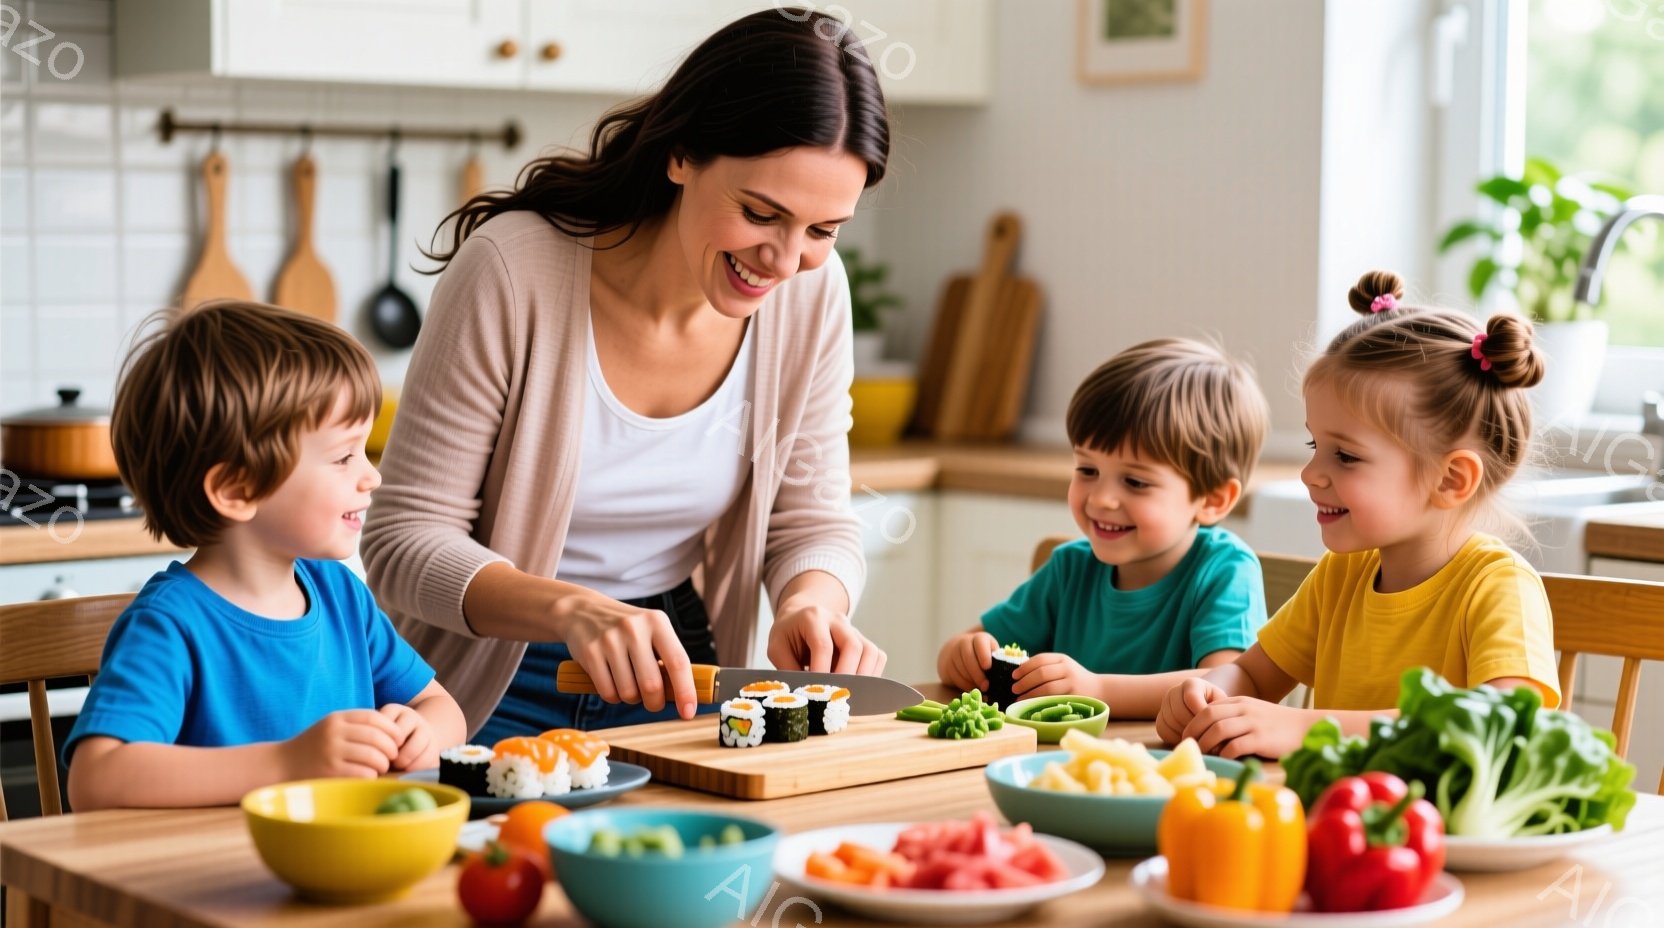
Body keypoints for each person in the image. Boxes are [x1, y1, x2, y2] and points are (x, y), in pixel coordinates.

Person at [362, 7, 891, 740]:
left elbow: (812, 514)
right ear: (681, 155)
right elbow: (404, 539)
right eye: (761, 212)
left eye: (822, 230)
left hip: (680, 670)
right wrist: (572, 609)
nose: (784, 258)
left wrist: (812, 602)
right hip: (490, 676)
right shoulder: (515, 270)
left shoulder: (810, 294)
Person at [64, 301, 466, 811]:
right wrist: (287, 763)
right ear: (237, 488)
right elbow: (96, 780)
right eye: (344, 457)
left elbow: (442, 707)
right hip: (211, 882)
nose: (372, 476)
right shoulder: (170, 624)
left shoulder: (340, 594)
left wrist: (421, 732)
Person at [1156, 270, 1562, 758]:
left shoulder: (1498, 586)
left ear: (1451, 479)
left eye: (1345, 456)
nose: (1311, 473)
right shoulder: (1343, 573)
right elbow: (1254, 673)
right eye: (1315, 444)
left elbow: (1499, 721)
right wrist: (1212, 690)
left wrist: (1307, 729)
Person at [937, 338, 1271, 719]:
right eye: (1088, 471)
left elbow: (1226, 685)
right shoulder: (1069, 569)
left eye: (1135, 482)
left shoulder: (1225, 570)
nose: (1100, 500)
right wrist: (962, 655)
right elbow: (962, 646)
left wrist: (1096, 689)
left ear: (1213, 499)